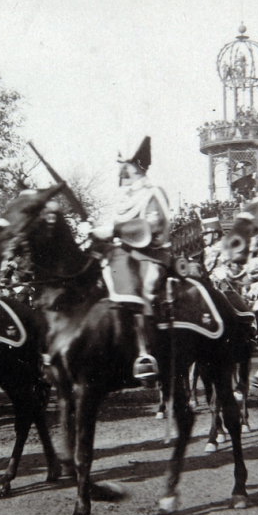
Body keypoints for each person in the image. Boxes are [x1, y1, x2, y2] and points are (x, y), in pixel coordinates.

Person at [91, 136, 171, 380]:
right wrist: (94, 229)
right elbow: (114, 226)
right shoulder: (123, 196)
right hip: (121, 254)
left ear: (137, 166)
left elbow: (153, 225)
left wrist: (114, 230)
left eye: (126, 164)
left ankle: (144, 353)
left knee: (143, 289)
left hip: (150, 255)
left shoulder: (152, 192)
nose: (122, 169)